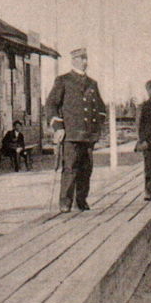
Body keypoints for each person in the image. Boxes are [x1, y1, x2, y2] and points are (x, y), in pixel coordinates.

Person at [43, 47, 107, 212]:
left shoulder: (92, 83)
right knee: (70, 168)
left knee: (86, 169)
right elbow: (51, 105)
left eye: (86, 59)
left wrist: (97, 127)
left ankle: (81, 200)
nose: (85, 62)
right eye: (81, 59)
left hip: (88, 134)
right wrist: (58, 127)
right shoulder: (63, 80)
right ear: (74, 61)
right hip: (70, 134)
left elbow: (101, 109)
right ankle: (65, 202)